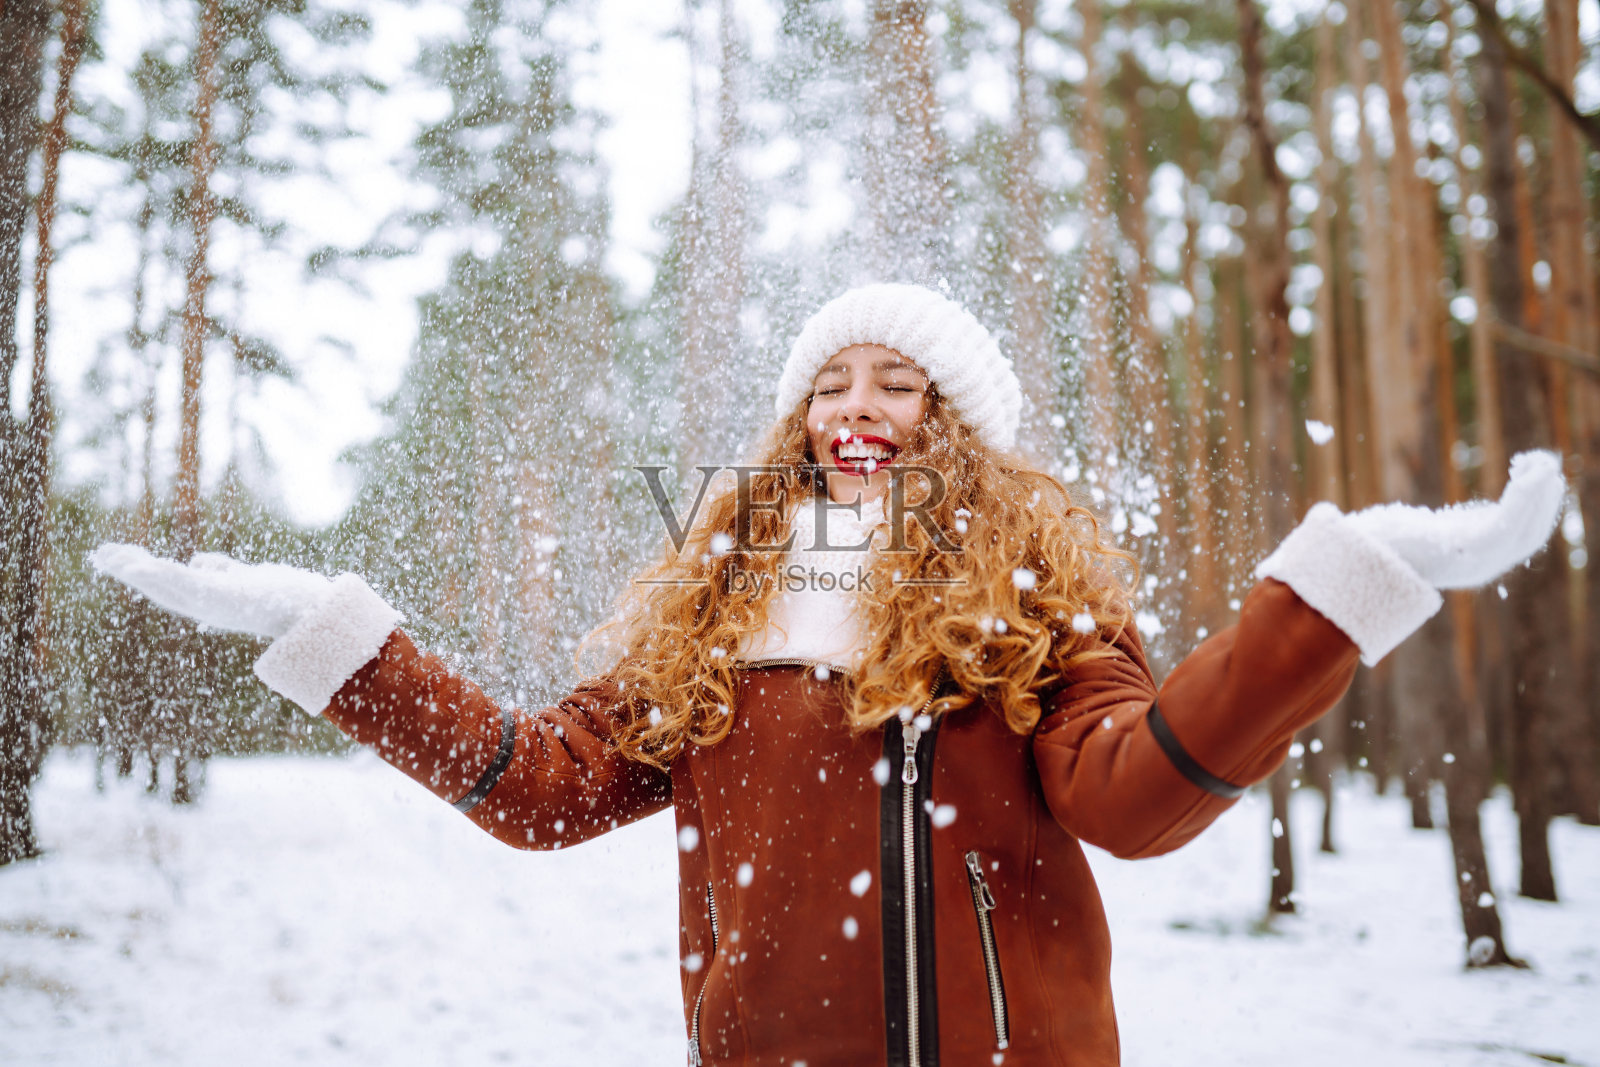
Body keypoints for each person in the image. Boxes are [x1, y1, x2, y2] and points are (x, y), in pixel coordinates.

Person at [94, 283, 1566, 1066]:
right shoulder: (720, 615)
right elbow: (537, 791)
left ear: (955, 426)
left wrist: (1328, 598)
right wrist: (343, 643)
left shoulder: (1036, 610)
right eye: (831, 384)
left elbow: (1133, 801)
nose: (857, 410)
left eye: (898, 383)